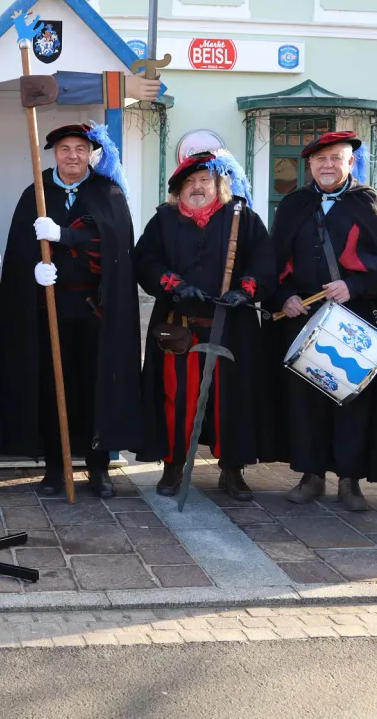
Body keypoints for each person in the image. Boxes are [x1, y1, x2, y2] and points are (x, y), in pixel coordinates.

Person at [0, 122, 142, 498]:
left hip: (96, 311)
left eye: (79, 149)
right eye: (64, 149)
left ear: (90, 153)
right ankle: (55, 467)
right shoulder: (36, 192)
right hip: (49, 308)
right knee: (53, 387)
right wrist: (32, 271)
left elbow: (115, 243)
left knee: (96, 387)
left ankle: (97, 466)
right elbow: (20, 248)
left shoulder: (107, 191)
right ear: (53, 153)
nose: (72, 156)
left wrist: (64, 235)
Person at [266, 132, 377, 510]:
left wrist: (354, 286)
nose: (328, 165)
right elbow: (273, 262)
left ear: (350, 163)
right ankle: (311, 475)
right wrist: (284, 297)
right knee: (305, 401)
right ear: (309, 165)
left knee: (351, 400)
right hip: (303, 317)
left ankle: (349, 480)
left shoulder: (367, 203)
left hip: (352, 319)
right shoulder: (293, 204)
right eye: (320, 159)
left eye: (336, 158)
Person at [135, 151, 275, 501]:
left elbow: (264, 262)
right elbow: (145, 262)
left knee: (232, 399)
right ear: (178, 190)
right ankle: (173, 465)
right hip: (179, 327)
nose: (196, 187)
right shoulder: (164, 220)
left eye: (204, 181)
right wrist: (174, 285)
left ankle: (232, 469)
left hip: (232, 327)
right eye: (189, 182)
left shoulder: (242, 218)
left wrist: (246, 291)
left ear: (219, 185)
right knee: (177, 398)